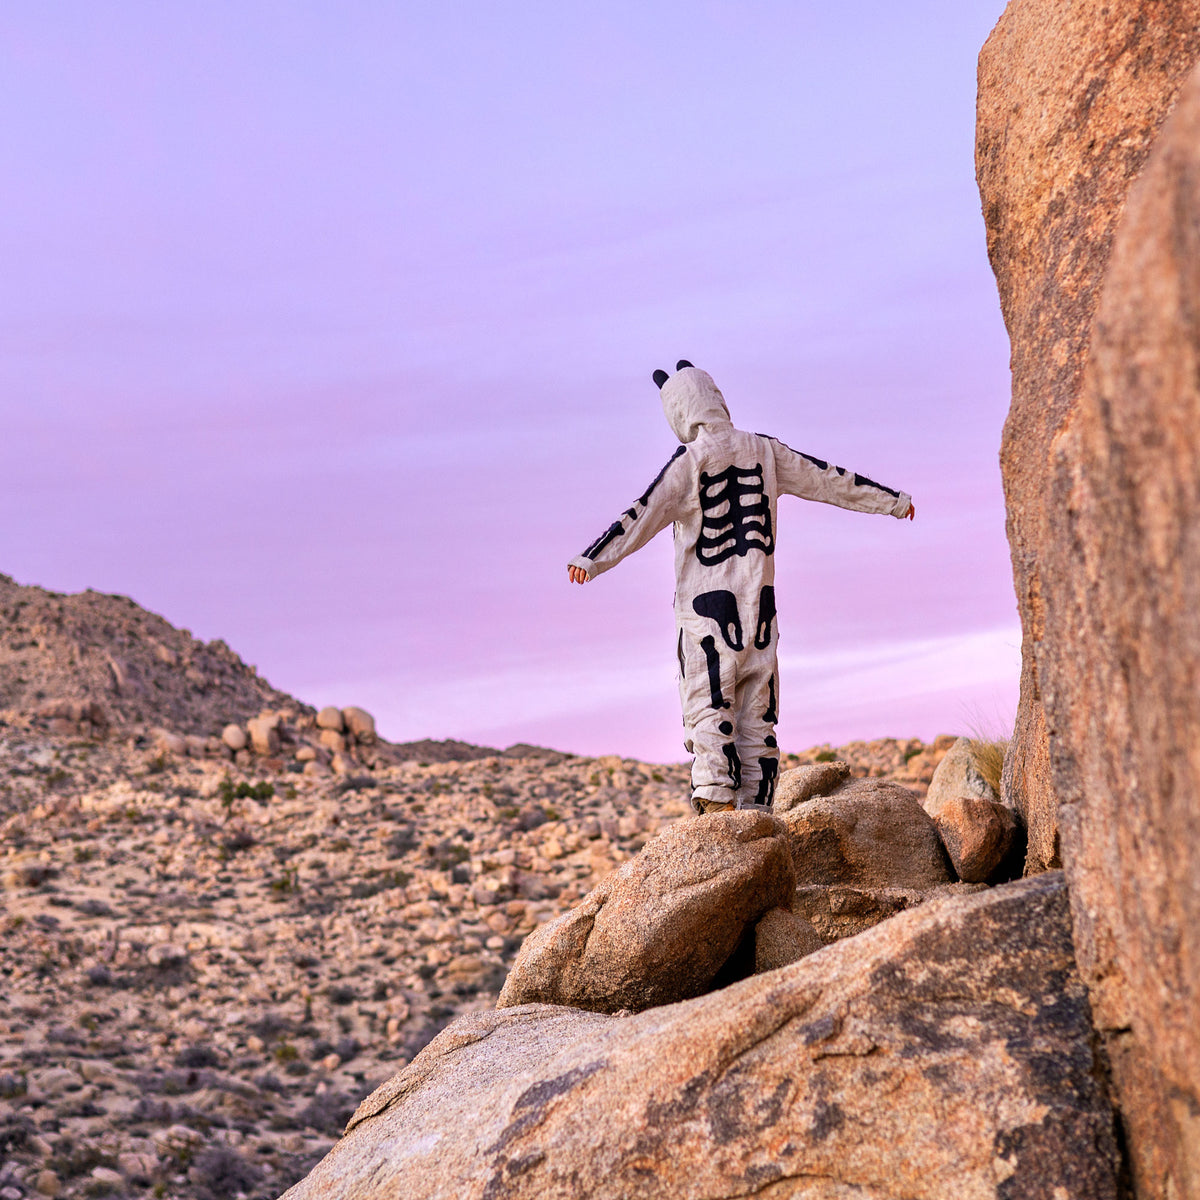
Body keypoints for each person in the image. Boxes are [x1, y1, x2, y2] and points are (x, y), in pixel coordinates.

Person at [567, 361, 914, 814]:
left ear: (678, 411)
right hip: (760, 611)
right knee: (758, 717)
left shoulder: (690, 462)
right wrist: (892, 501)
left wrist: (592, 559)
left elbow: (641, 514)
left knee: (709, 707)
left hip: (706, 612)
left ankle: (716, 808)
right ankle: (758, 813)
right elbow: (831, 479)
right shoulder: (764, 451)